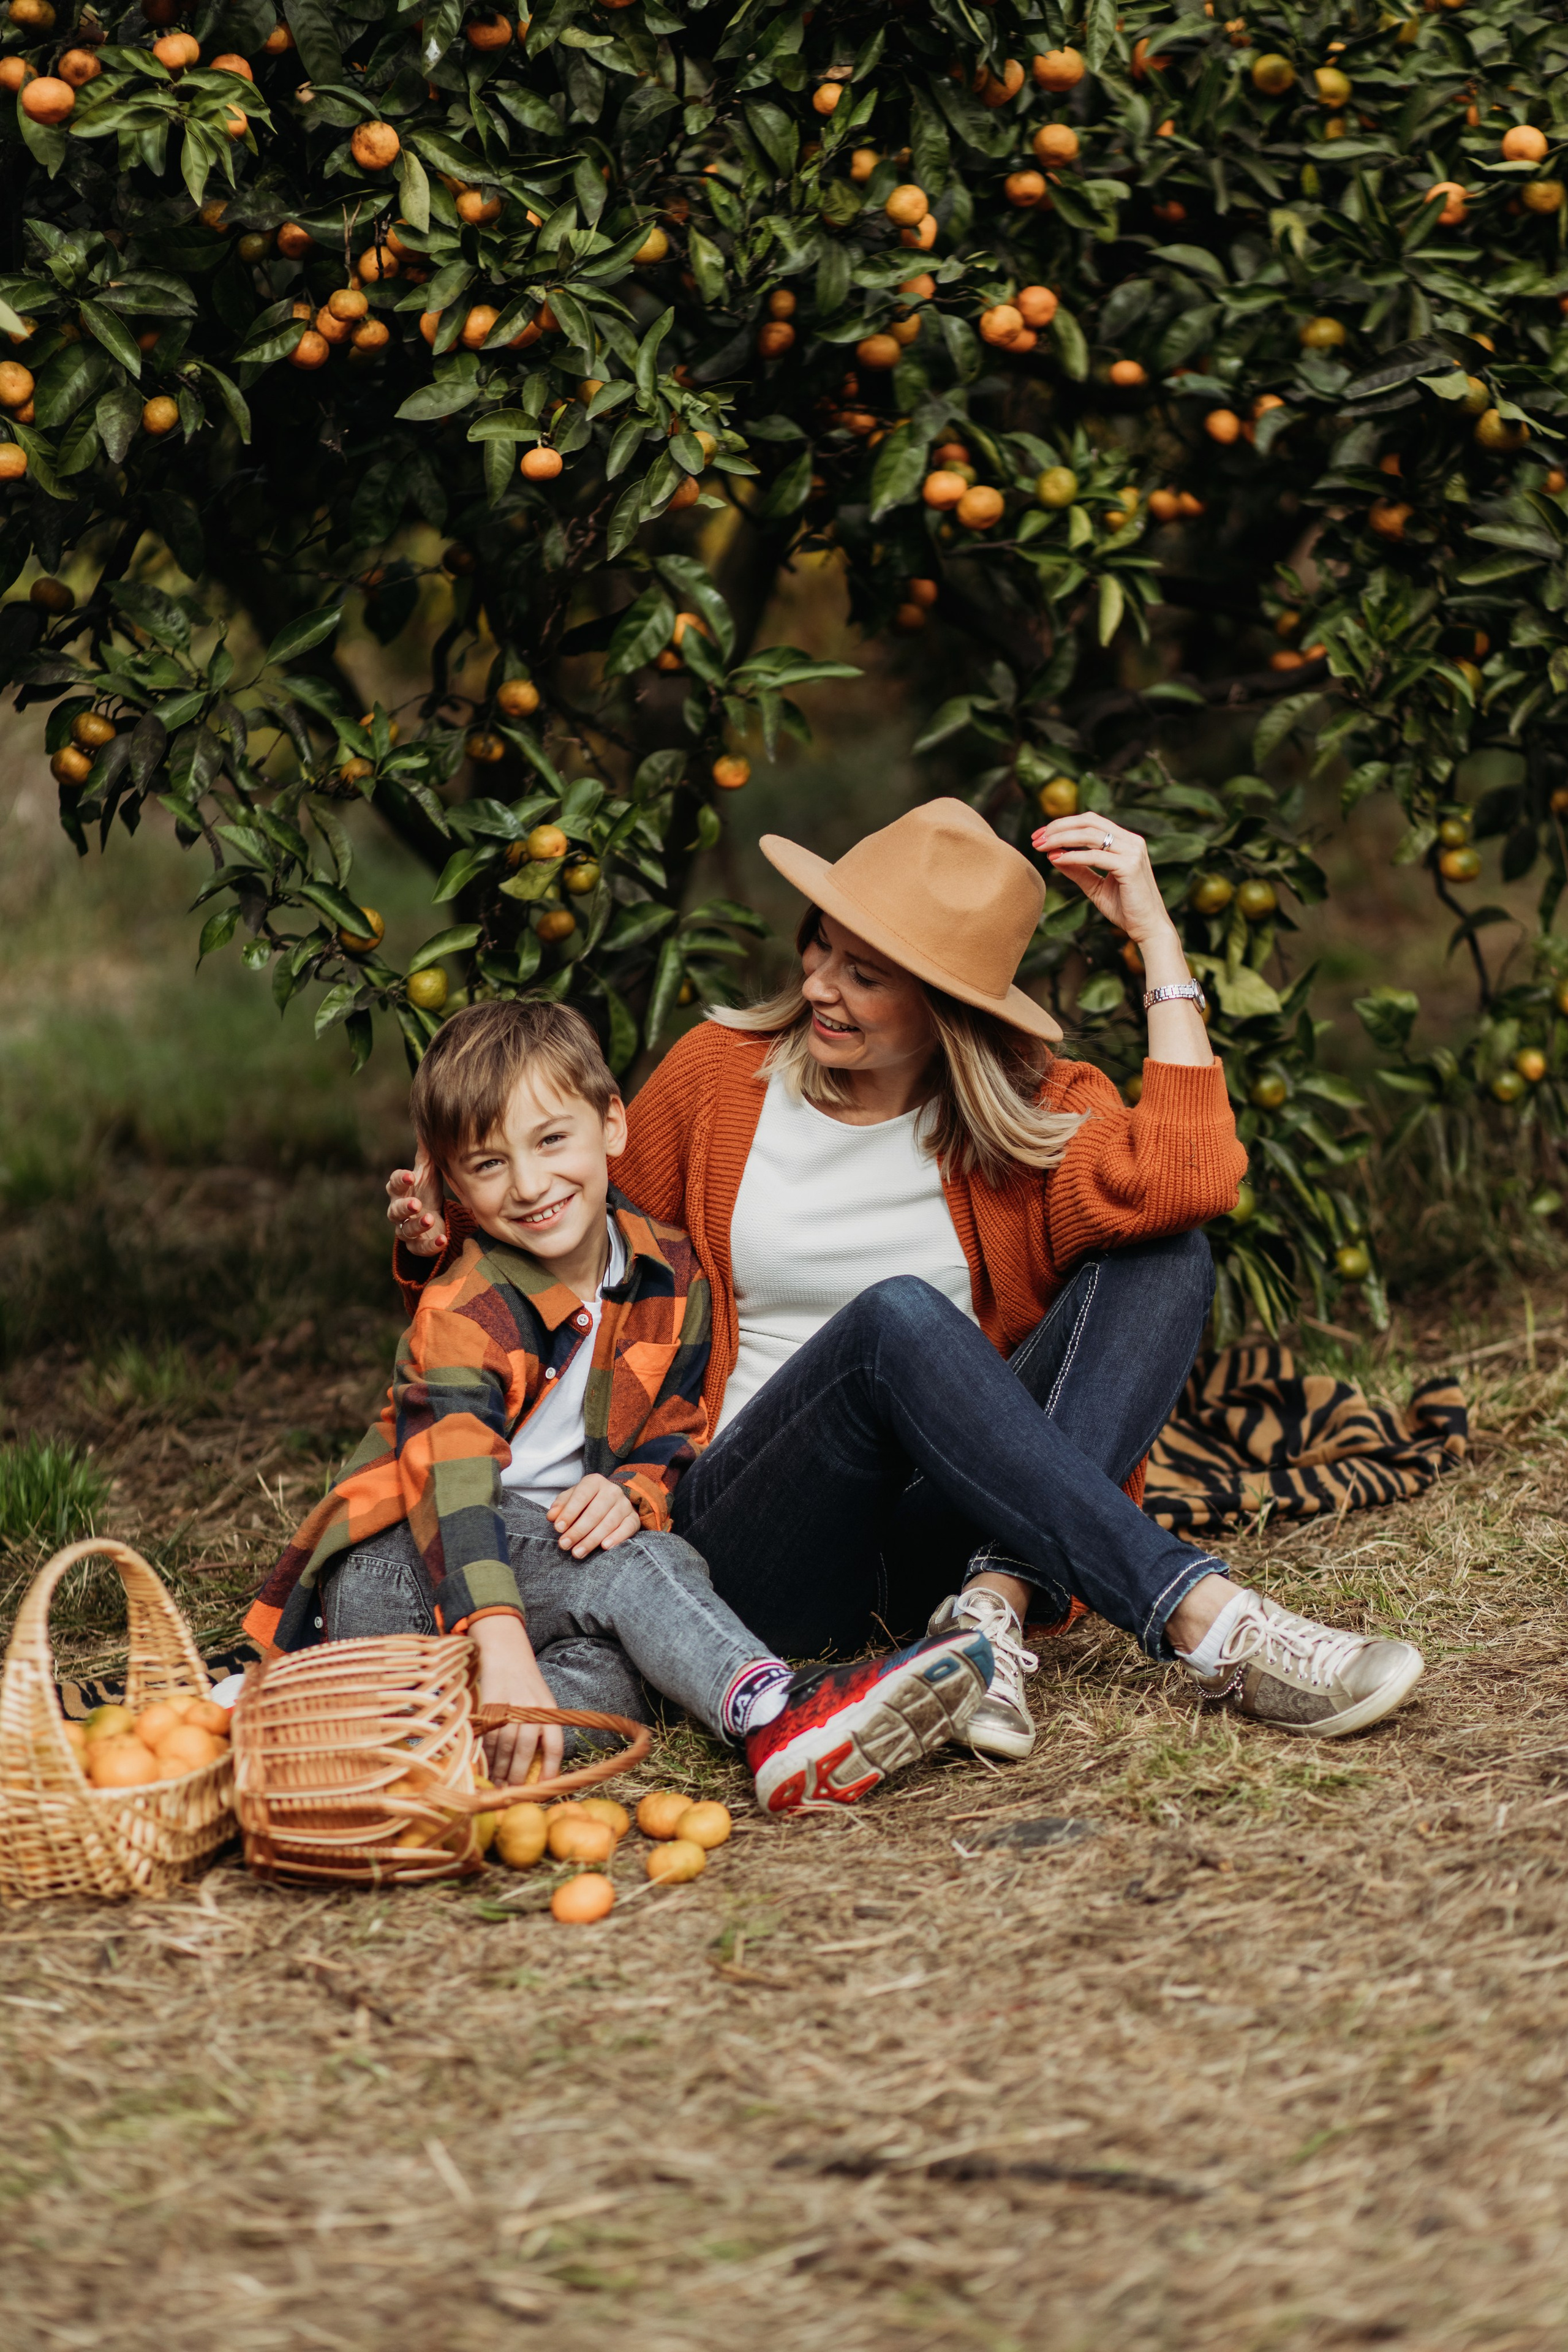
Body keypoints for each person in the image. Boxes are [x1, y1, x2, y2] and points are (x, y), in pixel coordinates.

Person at [389, 801, 1423, 1754]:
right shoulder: (717, 1078)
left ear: (948, 1008)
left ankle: (990, 1616)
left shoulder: (1024, 1123)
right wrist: (443, 1240)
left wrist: (1156, 939)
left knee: (1168, 1252)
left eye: (866, 975)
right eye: (821, 948)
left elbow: (1192, 1180)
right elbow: (562, 1257)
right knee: (895, 1321)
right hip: (754, 1537)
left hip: (946, 1530)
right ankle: (1212, 1623)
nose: (820, 987)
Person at [245, 1001, 995, 1814]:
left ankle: (435, 1751)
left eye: (551, 1140)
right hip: (404, 1569)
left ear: (612, 1126)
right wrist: (497, 1636)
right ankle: (776, 1714)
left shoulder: (671, 1275)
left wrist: (632, 1488)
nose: (531, 1185)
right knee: (645, 1568)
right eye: (489, 1165)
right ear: (452, 1183)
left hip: (550, 1586)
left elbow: (675, 1430)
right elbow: (453, 1487)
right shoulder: (467, 1305)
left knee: (622, 1680)